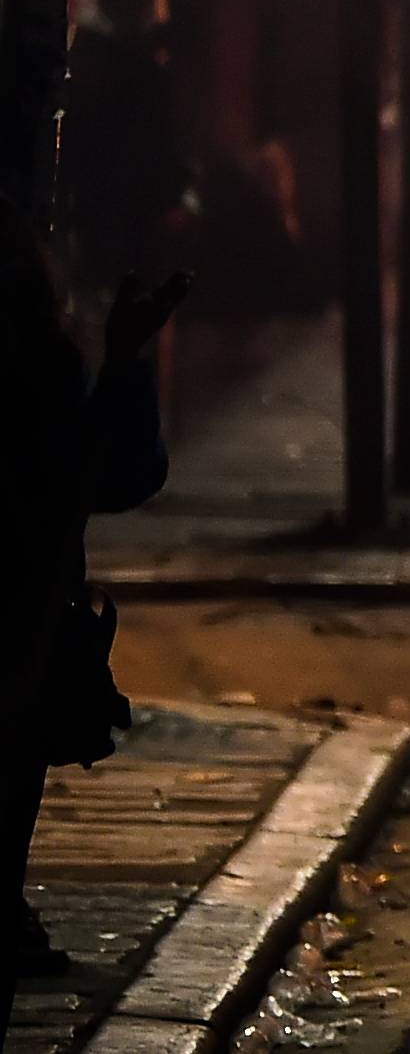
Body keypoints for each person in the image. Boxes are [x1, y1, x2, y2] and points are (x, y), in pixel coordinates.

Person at [3, 205, 179, 1009]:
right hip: (24, 624)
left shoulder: (42, 371)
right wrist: (126, 361)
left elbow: (111, 472)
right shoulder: (42, 366)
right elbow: (117, 474)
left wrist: (126, 361)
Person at [56, 0, 182, 302]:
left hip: (140, 223)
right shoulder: (89, 61)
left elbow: (163, 143)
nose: (130, 6)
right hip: (95, 215)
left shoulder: (151, 71)